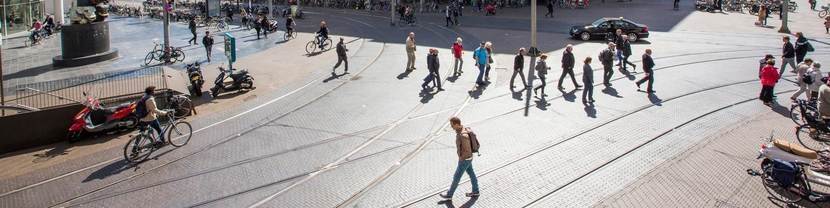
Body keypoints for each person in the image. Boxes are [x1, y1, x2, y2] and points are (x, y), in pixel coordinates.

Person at [439, 117, 480, 200]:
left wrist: (462, 158)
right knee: (471, 174)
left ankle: (449, 195)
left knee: (456, 177)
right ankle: (476, 191)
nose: (451, 127)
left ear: (457, 124)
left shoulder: (462, 135)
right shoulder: (462, 129)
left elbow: (467, 149)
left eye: (452, 125)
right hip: (468, 158)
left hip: (465, 159)